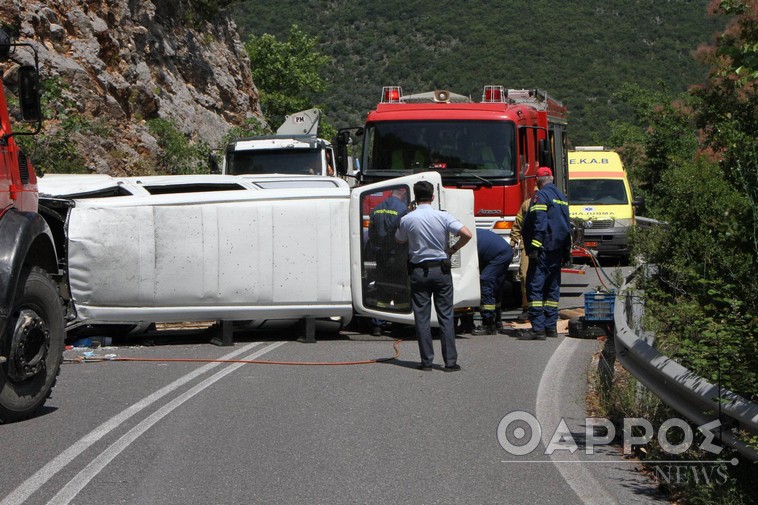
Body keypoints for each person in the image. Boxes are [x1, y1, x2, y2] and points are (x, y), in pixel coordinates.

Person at [395, 180, 473, 371]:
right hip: (441, 270)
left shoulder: (408, 218)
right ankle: (450, 362)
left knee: (421, 317)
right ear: (433, 197)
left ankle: (426, 362)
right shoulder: (443, 216)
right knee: (445, 316)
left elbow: (399, 240)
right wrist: (452, 249)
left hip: (418, 271)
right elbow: (467, 234)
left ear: (415, 197)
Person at [520, 167, 572, 340]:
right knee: (552, 288)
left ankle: (538, 329)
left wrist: (534, 247)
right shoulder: (561, 197)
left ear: (538, 180)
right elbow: (566, 226)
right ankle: (551, 327)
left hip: (542, 250)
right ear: (552, 178)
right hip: (557, 250)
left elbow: (539, 223)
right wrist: (567, 251)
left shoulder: (541, 196)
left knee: (535, 287)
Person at [367, 186, 410, 336]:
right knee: (399, 289)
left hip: (381, 255)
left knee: (382, 289)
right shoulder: (403, 209)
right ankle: (399, 324)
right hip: (397, 255)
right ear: (403, 193)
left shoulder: (377, 208)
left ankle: (378, 325)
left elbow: (371, 233)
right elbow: (404, 234)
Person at [471, 228, 513, 335]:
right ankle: (497, 321)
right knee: (496, 287)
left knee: (485, 281)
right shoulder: (470, 232)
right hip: (502, 252)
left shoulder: (465, 238)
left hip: (499, 255)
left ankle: (488, 324)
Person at [508, 194, 533, 324]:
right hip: (527, 246)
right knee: (524, 275)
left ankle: (543, 309)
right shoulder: (527, 204)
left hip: (546, 246)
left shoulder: (552, 202)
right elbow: (518, 224)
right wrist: (512, 243)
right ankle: (526, 307)